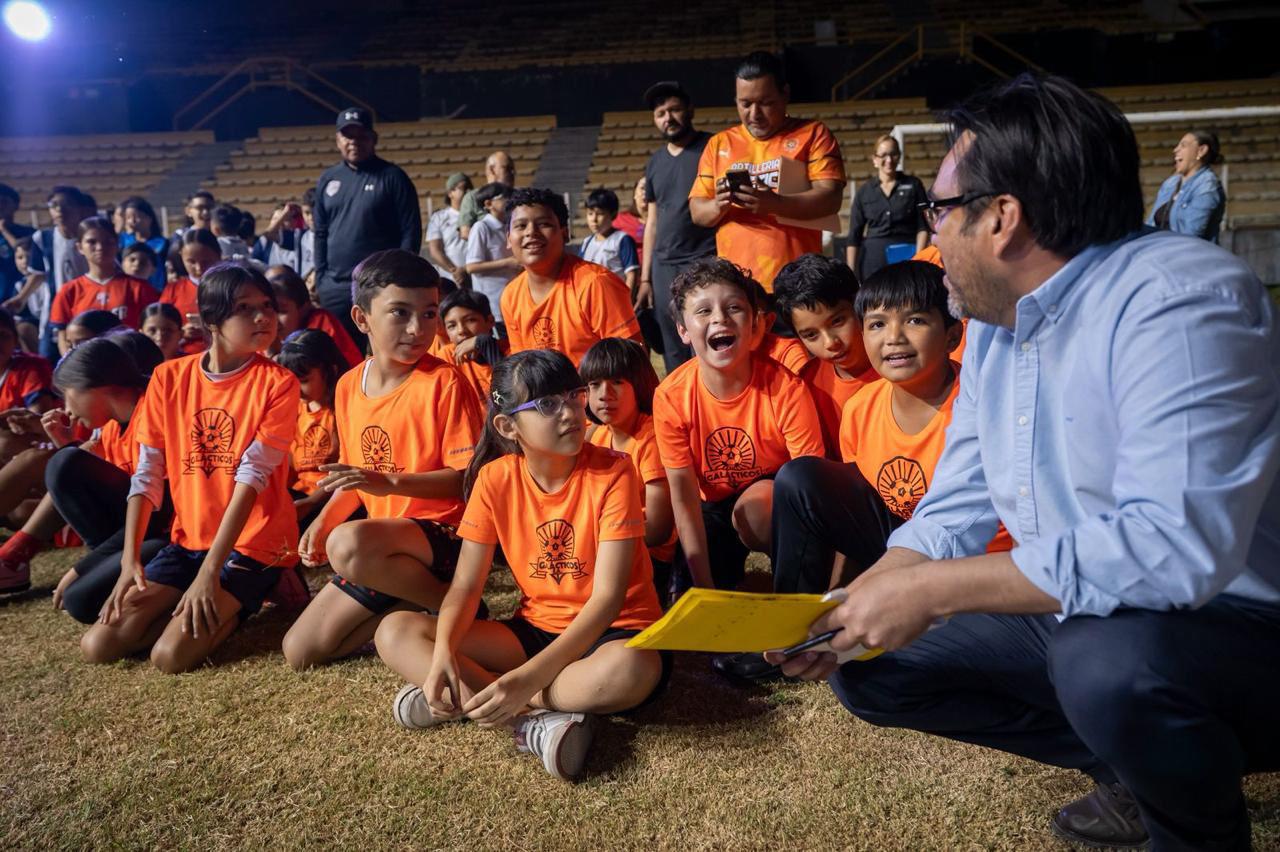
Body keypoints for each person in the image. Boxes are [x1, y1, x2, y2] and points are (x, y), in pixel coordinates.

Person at [767, 74, 1280, 851]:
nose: (928, 238)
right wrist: (859, 600)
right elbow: (958, 503)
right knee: (871, 666)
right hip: (1092, 613)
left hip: (1235, 626)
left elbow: (1174, 550)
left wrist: (935, 591)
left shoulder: (1177, 300)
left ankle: (1194, 825)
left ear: (1002, 217)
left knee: (1103, 662)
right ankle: (1146, 768)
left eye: (939, 211)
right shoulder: (1002, 328)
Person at [374, 349, 668, 782]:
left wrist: (526, 680)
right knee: (395, 630)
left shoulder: (615, 472)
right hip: (536, 629)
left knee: (631, 668)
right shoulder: (495, 479)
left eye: (573, 395)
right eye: (548, 404)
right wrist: (441, 656)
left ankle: (474, 698)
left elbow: (607, 601)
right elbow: (465, 588)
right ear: (507, 426)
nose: (570, 411)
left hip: (609, 633)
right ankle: (531, 722)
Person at [80, 263, 300, 674]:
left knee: (170, 656)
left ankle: (263, 584)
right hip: (189, 541)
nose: (263, 317)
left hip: (255, 542)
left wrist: (212, 572)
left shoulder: (278, 382)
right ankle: (209, 600)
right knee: (99, 644)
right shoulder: (168, 377)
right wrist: (131, 562)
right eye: (245, 307)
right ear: (212, 321)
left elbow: (252, 478)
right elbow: (146, 476)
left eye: (267, 305)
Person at [281, 250, 483, 670]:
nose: (418, 328)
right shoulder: (348, 385)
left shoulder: (444, 381)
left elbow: (467, 480)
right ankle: (412, 607)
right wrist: (322, 521)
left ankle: (457, 608)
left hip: (443, 537)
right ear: (361, 318)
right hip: (382, 548)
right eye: (400, 313)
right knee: (300, 651)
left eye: (429, 314)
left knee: (348, 543)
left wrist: (389, 484)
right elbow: (355, 480)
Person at [652, 257, 823, 595]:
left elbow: (811, 484)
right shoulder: (670, 397)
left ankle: (787, 589)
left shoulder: (786, 388)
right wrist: (704, 588)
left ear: (754, 324)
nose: (719, 317)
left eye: (734, 307)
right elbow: (684, 499)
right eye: (704, 311)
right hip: (711, 504)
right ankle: (742, 586)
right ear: (683, 331)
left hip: (774, 495)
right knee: (690, 603)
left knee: (759, 507)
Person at [32, 335, 171, 622]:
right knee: (65, 462)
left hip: (167, 537)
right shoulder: (110, 429)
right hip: (139, 537)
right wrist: (66, 444)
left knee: (80, 600)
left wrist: (82, 567)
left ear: (95, 386)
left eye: (68, 393)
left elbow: (158, 516)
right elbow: (104, 510)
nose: (67, 409)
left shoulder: (155, 413)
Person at [688, 53, 846, 292]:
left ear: (785, 95)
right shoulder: (719, 144)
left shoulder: (813, 134)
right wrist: (717, 205)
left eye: (765, 102)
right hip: (738, 285)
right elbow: (697, 212)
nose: (754, 114)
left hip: (799, 282)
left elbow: (831, 198)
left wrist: (774, 203)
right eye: (745, 104)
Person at [313, 107, 423, 347]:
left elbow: (410, 231)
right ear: (338, 140)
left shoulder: (393, 177)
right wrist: (321, 278)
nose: (354, 142)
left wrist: (399, 278)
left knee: (384, 352)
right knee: (341, 357)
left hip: (379, 285)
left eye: (361, 136)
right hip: (336, 287)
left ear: (373, 139)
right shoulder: (328, 178)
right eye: (348, 136)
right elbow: (320, 232)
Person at [581, 338, 677, 606]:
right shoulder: (596, 435)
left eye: (617, 382)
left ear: (640, 384)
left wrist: (600, 541)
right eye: (594, 384)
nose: (604, 394)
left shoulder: (651, 438)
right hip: (610, 546)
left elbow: (659, 529)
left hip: (651, 557)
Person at [501, 188, 643, 366]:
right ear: (508, 238)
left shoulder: (595, 283)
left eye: (544, 224)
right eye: (521, 226)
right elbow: (522, 365)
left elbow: (631, 360)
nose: (531, 232)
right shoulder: (510, 296)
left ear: (565, 233)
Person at [640, 81, 718, 370]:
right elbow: (652, 222)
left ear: (690, 110)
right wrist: (646, 278)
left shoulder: (712, 147)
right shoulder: (655, 162)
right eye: (661, 113)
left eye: (674, 109)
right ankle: (681, 409)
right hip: (663, 266)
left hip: (704, 259)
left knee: (705, 338)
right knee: (672, 345)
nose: (668, 118)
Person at [773, 254, 878, 454]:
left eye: (837, 321)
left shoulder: (899, 364)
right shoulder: (805, 385)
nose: (831, 343)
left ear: (859, 304)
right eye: (811, 335)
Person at [48, 217, 158, 355]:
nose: (100, 247)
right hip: (85, 366)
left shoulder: (139, 288)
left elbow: (153, 330)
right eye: (91, 242)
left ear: (117, 243)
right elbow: (63, 338)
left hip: (130, 364)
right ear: (79, 247)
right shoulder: (69, 291)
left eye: (107, 241)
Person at [276, 329, 347, 531]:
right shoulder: (295, 409)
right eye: (292, 380)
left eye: (304, 380)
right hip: (299, 495)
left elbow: (346, 468)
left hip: (331, 497)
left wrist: (312, 502)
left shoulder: (341, 409)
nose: (296, 388)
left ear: (330, 371)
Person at [20, 186, 91, 360]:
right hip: (54, 312)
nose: (60, 210)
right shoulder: (42, 238)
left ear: (79, 208)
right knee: (50, 362)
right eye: (54, 205)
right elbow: (38, 274)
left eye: (67, 204)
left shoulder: (91, 237)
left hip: (87, 307)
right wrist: (20, 298)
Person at [845, 134, 929, 282]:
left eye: (893, 154)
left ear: (899, 156)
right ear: (875, 159)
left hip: (907, 259)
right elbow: (854, 236)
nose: (889, 160)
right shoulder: (864, 192)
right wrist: (851, 273)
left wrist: (918, 260)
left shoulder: (914, 185)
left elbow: (923, 226)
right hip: (873, 262)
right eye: (883, 155)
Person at [266, 264, 361, 367]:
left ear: (304, 309)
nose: (275, 319)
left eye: (282, 311)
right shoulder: (264, 332)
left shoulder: (321, 325)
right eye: (270, 310)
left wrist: (274, 356)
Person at [1146, 129, 1225, 243]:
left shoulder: (1207, 186)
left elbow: (1191, 236)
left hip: (1188, 257)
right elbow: (1150, 225)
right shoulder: (1170, 183)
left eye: (1183, 145)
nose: (1175, 150)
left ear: (1201, 151)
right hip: (1161, 254)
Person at [463, 182, 519, 331]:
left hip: (512, 299)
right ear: (488, 204)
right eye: (504, 197)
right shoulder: (481, 228)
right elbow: (471, 266)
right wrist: (507, 263)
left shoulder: (508, 226)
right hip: (493, 303)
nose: (510, 200)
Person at [437, 288, 507, 405]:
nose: (461, 330)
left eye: (470, 320)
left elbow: (513, 396)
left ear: (490, 321)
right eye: (452, 326)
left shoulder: (510, 349)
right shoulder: (447, 357)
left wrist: (486, 344)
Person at [161, 228, 221, 355]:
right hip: (184, 357)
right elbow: (159, 326)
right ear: (181, 256)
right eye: (191, 262)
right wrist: (180, 333)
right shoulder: (173, 290)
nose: (199, 267)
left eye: (206, 261)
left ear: (218, 254)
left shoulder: (232, 287)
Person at [580, 188, 640, 295]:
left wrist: (627, 302)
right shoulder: (586, 242)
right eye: (590, 214)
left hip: (615, 299)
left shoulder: (622, 240)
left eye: (600, 214)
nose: (594, 219)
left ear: (613, 215)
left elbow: (632, 275)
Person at [255, 190, 315, 278]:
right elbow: (268, 234)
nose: (280, 223)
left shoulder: (298, 237)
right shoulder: (266, 244)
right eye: (276, 219)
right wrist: (284, 214)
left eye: (285, 220)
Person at [426, 172, 472, 286]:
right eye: (463, 188)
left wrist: (466, 270)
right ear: (450, 193)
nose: (468, 192)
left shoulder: (478, 217)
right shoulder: (439, 217)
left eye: (470, 188)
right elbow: (435, 250)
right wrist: (456, 272)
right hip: (451, 279)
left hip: (474, 276)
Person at [458, 151, 516, 240]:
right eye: (507, 168)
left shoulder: (518, 195)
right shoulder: (472, 197)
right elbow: (465, 232)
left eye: (512, 169)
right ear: (492, 170)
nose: (512, 173)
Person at [118, 196, 170, 291]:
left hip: (155, 289)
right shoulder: (123, 241)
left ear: (149, 218)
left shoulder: (162, 244)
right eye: (128, 217)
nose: (132, 221)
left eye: (136, 217)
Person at [0, 183, 35, 303]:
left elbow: (23, 251)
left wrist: (4, 231)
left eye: (4, 201)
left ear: (15, 205)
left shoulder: (30, 233)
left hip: (23, 299)